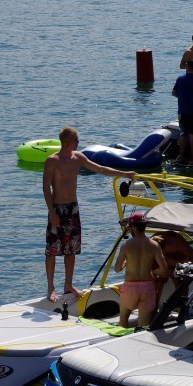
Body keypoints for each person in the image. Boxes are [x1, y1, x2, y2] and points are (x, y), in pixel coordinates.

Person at [43, 127, 135, 303]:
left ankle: (68, 285)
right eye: (77, 139)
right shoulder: (52, 161)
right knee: (52, 250)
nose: (79, 142)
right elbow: (46, 188)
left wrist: (124, 173)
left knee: (72, 248)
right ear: (69, 141)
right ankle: (51, 287)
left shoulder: (78, 157)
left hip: (73, 209)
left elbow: (100, 169)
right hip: (57, 209)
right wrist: (51, 211)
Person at [114, 212, 168, 329]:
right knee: (143, 326)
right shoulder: (154, 245)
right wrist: (154, 272)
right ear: (144, 226)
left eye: (129, 227)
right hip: (147, 287)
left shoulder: (126, 245)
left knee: (122, 322)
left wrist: (125, 263)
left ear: (133, 227)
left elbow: (117, 269)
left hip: (130, 287)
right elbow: (164, 270)